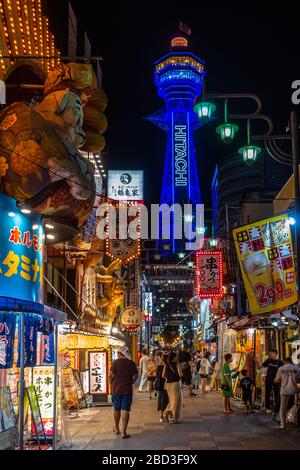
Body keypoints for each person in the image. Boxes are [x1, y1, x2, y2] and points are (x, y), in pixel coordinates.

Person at [109, 346, 138, 439]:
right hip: (127, 389)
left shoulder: (115, 362)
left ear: (120, 354)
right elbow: (136, 375)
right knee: (125, 409)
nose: (117, 355)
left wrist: (111, 384)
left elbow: (110, 375)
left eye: (118, 353)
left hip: (116, 389)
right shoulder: (131, 363)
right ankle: (124, 432)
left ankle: (117, 428)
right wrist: (132, 381)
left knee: (116, 409)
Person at [274, 357, 300, 429]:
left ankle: (283, 424)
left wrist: (275, 380)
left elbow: (278, 380)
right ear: (291, 361)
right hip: (295, 390)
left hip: (284, 390)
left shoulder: (281, 368)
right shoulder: (297, 368)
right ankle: (296, 420)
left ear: (285, 361)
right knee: (296, 405)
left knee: (283, 407)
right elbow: (298, 380)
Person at [257, 349, 283, 413]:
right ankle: (267, 408)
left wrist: (279, 379)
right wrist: (257, 361)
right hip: (268, 380)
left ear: (275, 354)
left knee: (277, 394)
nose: (270, 354)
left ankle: (277, 408)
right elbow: (261, 366)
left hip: (276, 380)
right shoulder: (268, 360)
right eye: (269, 353)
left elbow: (282, 372)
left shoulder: (280, 362)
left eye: (271, 353)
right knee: (267, 394)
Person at [162, 351, 183, 423]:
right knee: (176, 401)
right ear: (174, 357)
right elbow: (180, 374)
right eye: (176, 357)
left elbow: (163, 376)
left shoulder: (166, 364)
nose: (177, 358)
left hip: (168, 385)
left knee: (172, 400)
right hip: (175, 384)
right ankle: (172, 416)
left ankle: (170, 416)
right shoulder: (177, 364)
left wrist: (169, 376)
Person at [155, 353, 169, 422]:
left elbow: (157, 376)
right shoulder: (166, 366)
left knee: (161, 399)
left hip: (160, 385)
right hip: (165, 385)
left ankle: (162, 415)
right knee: (165, 400)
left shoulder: (159, 366)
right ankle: (164, 415)